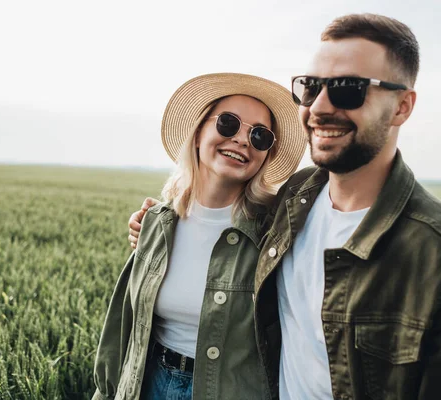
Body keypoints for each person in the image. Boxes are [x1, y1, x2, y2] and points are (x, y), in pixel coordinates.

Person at [128, 14, 441, 399]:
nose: (320, 106)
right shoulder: (294, 202)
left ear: (402, 106)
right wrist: (152, 225)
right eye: (310, 86)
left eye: (349, 89)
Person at [92, 73, 307, 400]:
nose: (242, 140)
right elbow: (123, 327)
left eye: (260, 136)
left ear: (266, 154)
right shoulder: (157, 223)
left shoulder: (275, 233)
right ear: (197, 133)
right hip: (149, 385)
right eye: (228, 124)